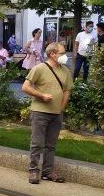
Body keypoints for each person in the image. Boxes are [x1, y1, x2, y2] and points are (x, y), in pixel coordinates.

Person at [21, 43, 74, 184]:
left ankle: (48, 172)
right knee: (37, 143)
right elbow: (25, 87)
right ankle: (33, 170)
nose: (65, 56)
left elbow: (67, 90)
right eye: (62, 53)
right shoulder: (39, 68)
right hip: (40, 112)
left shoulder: (65, 71)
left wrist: (61, 108)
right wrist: (41, 95)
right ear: (52, 54)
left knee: (51, 145)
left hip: (56, 114)